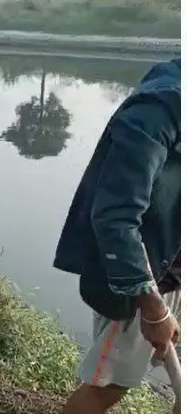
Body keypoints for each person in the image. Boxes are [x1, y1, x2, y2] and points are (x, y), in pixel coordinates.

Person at [54, 59, 180, 414]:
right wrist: (152, 309)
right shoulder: (158, 112)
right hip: (147, 276)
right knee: (108, 386)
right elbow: (116, 217)